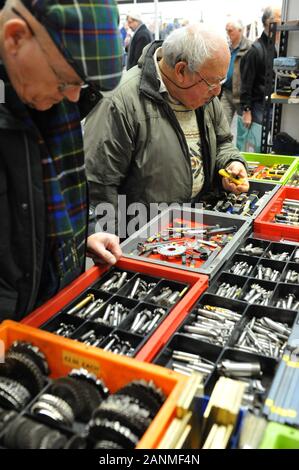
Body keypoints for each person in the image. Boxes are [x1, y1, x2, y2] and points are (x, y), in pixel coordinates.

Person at [0, 0, 123, 322]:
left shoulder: (45, 95)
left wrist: (86, 231)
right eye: (64, 80)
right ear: (14, 38)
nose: (72, 98)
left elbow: (48, 188)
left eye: (80, 84)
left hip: (46, 307)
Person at [84, 25, 249, 235]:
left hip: (193, 226)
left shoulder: (205, 97)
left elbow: (223, 141)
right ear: (181, 71)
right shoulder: (119, 102)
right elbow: (99, 184)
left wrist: (230, 162)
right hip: (142, 235)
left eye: (221, 81)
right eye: (213, 82)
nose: (217, 91)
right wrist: (116, 247)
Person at [240, 6, 281, 129]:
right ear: (269, 21)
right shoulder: (255, 50)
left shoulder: (273, 46)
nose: (282, 20)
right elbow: (246, 83)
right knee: (257, 144)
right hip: (258, 106)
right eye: (280, 17)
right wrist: (246, 110)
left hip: (271, 104)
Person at [221, 19, 251, 126]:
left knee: (244, 128)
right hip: (226, 91)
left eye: (230, 31)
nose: (228, 33)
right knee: (222, 125)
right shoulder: (227, 47)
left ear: (240, 30)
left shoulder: (249, 47)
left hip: (240, 95)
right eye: (226, 31)